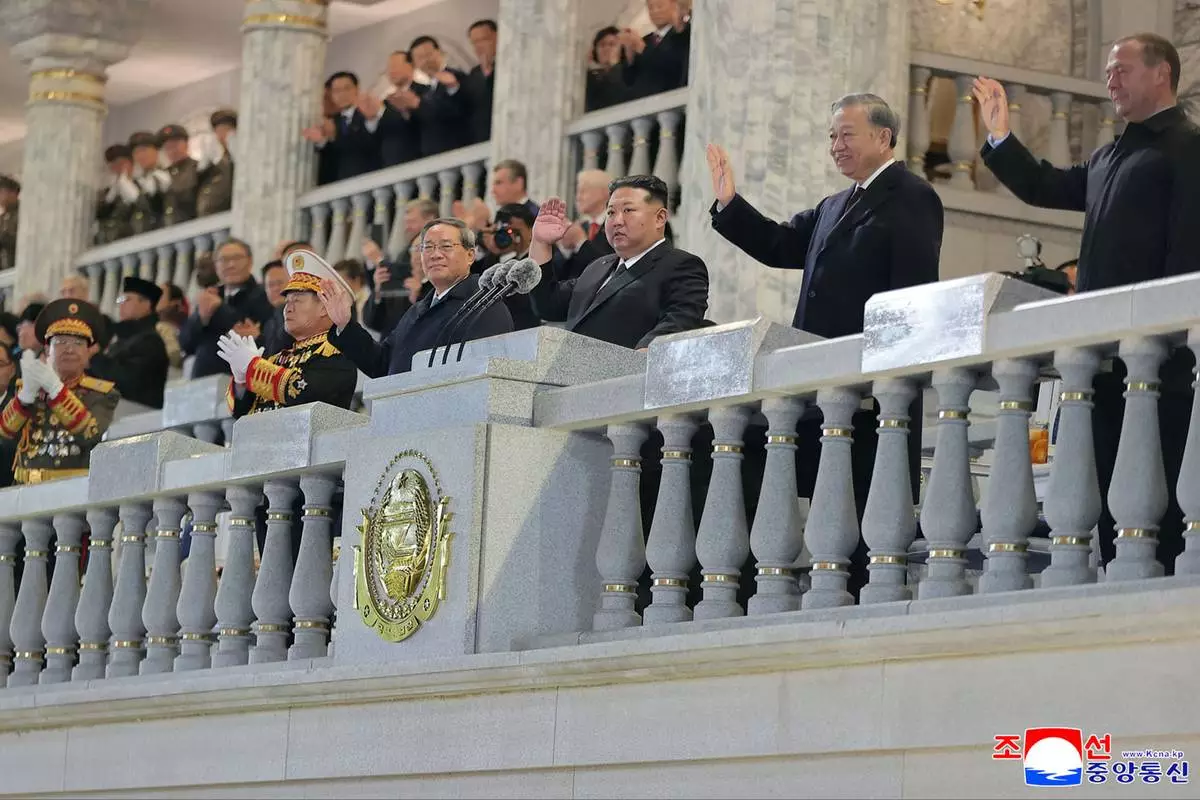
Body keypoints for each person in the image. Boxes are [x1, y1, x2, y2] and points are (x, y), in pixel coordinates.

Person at [975, 33, 1200, 573]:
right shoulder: (1108, 155)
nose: (1110, 79)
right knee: (1101, 483)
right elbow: (1042, 185)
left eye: (1122, 69)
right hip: (1099, 358)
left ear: (1161, 74)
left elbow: (1188, 251)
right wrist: (1001, 137)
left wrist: (1169, 338)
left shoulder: (1190, 146)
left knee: (1157, 485)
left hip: (1159, 356)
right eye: (1106, 70)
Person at [707, 93, 942, 338]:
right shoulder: (833, 205)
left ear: (883, 138)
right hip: (810, 355)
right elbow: (779, 244)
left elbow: (914, 293)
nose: (836, 146)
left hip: (862, 361)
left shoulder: (912, 196)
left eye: (847, 135)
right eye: (833, 136)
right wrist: (730, 202)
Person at [528, 174, 708, 350]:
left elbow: (679, 322)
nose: (617, 221)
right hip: (571, 375)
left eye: (628, 210)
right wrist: (540, 242)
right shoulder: (598, 267)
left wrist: (642, 356)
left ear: (660, 218)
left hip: (630, 376)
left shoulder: (682, 266)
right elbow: (548, 304)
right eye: (611, 212)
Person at [321, 218, 513, 376]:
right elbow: (383, 364)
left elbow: (485, 375)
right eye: (427, 247)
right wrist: (346, 325)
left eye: (446, 246)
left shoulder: (484, 304)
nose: (435, 254)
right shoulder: (417, 310)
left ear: (470, 255)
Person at [219, 251, 358, 418]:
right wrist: (241, 380)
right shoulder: (277, 358)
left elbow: (300, 390)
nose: (288, 308)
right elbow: (240, 411)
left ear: (323, 307)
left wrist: (253, 368)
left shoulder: (338, 352)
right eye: (287, 301)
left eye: (297, 300)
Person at [0, 299, 120, 484]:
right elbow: (4, 433)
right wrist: (22, 400)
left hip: (72, 489)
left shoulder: (103, 393)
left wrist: (57, 390)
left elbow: (91, 434)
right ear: (47, 348)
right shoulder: (28, 388)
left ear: (89, 351)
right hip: (24, 488)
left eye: (78, 342)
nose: (70, 348)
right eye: (61, 341)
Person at [179, 238, 276, 378]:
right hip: (202, 381)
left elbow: (245, 327)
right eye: (223, 260)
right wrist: (201, 318)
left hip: (241, 382)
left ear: (250, 261)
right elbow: (185, 344)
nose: (230, 265)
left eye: (236, 258)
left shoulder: (263, 294)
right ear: (216, 266)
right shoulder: (211, 294)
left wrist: (219, 308)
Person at [88, 277, 170, 409]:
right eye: (120, 300)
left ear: (147, 304)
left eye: (126, 300)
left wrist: (96, 358)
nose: (121, 304)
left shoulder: (151, 341)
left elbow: (128, 381)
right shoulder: (118, 343)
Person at [303, 72, 383, 182]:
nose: (342, 94)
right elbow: (333, 158)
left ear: (357, 89)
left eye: (347, 89)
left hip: (369, 179)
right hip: (342, 183)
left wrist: (371, 119)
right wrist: (322, 141)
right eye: (336, 91)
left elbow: (371, 143)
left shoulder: (368, 112)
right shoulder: (332, 122)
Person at [476, 203, 541, 330]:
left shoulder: (538, 260)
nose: (510, 236)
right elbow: (480, 284)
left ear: (532, 230)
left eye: (515, 231)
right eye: (504, 232)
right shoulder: (499, 260)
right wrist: (486, 248)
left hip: (522, 330)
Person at [407, 36, 472, 156]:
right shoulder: (419, 90)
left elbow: (462, 108)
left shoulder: (458, 76)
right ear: (415, 63)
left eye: (428, 54)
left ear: (439, 53)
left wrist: (453, 87)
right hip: (431, 154)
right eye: (420, 58)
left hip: (458, 149)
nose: (426, 60)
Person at [620, 0, 691, 100]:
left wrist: (643, 49)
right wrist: (630, 58)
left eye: (659, 6)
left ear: (674, 5)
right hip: (645, 103)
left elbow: (672, 65)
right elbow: (629, 82)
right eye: (650, 8)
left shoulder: (684, 34)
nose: (655, 11)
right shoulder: (645, 40)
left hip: (672, 99)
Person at [555, 169, 614, 281]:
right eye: (577, 192)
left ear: (604, 193)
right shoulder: (582, 226)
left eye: (583, 191)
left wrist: (580, 242)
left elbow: (609, 267)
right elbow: (559, 274)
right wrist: (565, 248)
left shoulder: (616, 225)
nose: (578, 198)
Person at [376, 51, 428, 168]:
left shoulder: (425, 92)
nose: (391, 71)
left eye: (395, 66)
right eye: (389, 68)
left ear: (411, 66)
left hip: (419, 161)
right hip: (392, 165)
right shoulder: (385, 103)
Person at [157, 124, 201, 226]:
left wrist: (172, 188)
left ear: (186, 144)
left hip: (191, 225)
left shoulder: (197, 168)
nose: (172, 150)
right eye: (167, 147)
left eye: (175, 145)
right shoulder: (163, 174)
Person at [197, 109, 237, 216]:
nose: (222, 136)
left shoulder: (237, 157)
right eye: (219, 131)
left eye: (226, 130)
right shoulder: (216, 162)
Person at [464, 20, 497, 143]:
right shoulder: (474, 73)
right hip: (482, 138)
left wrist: (489, 73)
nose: (479, 46)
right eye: (474, 43)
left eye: (483, 40)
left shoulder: (508, 67)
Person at [96, 144, 136, 244]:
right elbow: (101, 215)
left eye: (121, 164)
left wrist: (125, 184)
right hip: (108, 242)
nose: (116, 169)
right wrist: (111, 195)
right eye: (112, 165)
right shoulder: (106, 194)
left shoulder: (140, 187)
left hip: (132, 241)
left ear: (131, 165)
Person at [586, 27, 629, 112]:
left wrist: (614, 66)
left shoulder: (628, 71)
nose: (607, 48)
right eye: (602, 45)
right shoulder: (592, 76)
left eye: (612, 44)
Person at [0, 175, 19, 272]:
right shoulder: (2, 219)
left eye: (2, 192)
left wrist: (4, 238)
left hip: (17, 267)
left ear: (13, 193)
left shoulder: (22, 214)